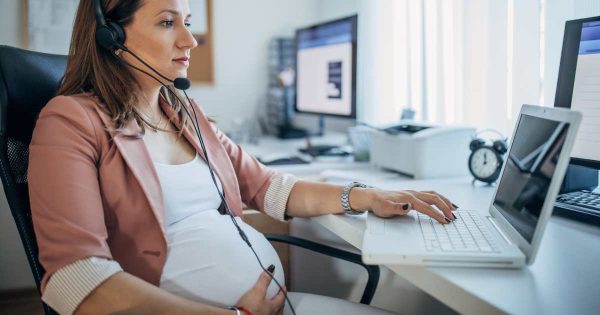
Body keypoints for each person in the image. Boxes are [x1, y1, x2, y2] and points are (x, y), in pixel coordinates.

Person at [27, 0, 458, 314]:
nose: (189, 39)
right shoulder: (72, 120)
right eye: (166, 22)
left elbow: (267, 186)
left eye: (188, 22)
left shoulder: (183, 112)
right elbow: (75, 278)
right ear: (111, 37)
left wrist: (366, 195)